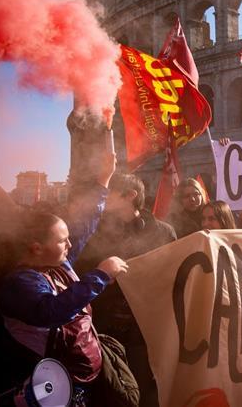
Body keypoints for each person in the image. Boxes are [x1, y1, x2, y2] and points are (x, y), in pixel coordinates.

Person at [0, 151, 129, 405]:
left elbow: (85, 226)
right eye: (61, 240)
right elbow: (51, 311)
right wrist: (100, 275)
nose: (70, 244)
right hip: (54, 389)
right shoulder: (20, 283)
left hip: (85, 379)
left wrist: (104, 180)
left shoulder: (58, 263)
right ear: (36, 247)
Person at [75, 172, 176, 407]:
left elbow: (173, 279)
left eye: (109, 192)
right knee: (113, 393)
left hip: (145, 331)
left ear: (131, 195)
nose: (101, 198)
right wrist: (101, 274)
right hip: (106, 330)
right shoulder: (96, 233)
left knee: (146, 389)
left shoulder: (163, 232)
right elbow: (81, 273)